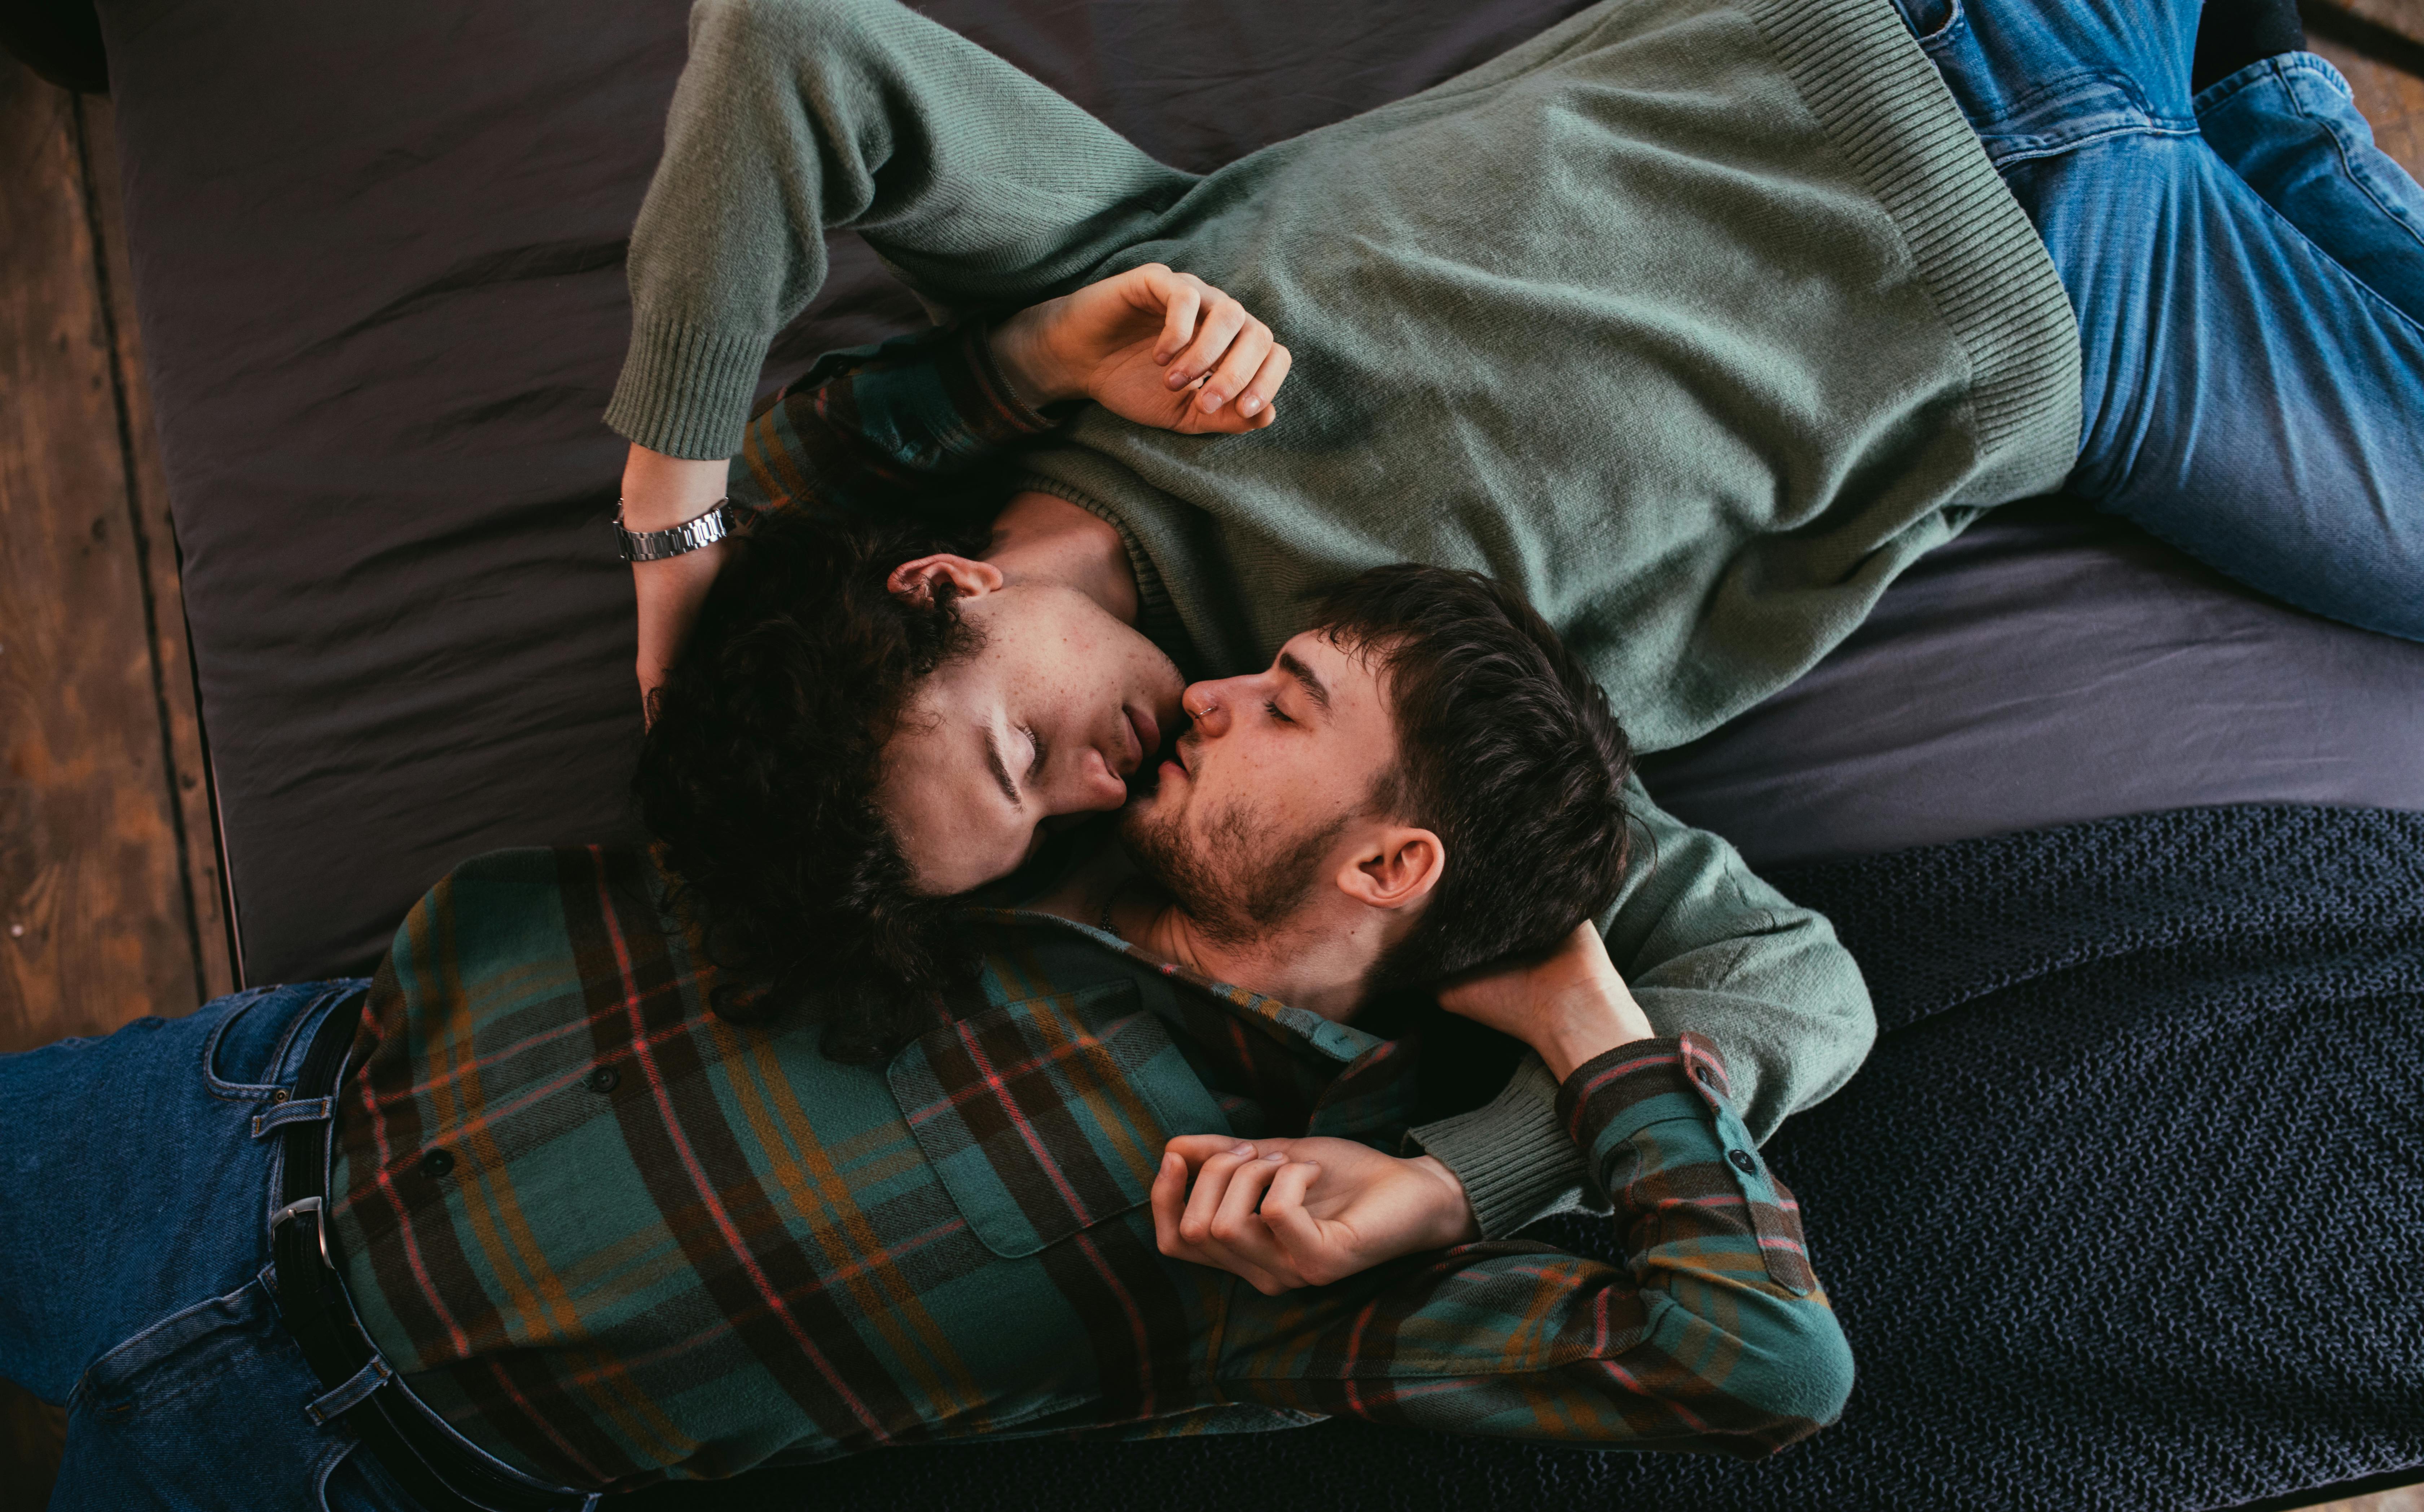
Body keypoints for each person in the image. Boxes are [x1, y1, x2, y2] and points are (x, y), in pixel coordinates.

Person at [2, 563, 1852, 1512]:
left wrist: (1584, 1013)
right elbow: (849, 480)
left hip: (326, 1481)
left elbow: (1758, 1362)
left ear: (1390, 868)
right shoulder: (1031, 785)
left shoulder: (1286, 1224)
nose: (1210, 695)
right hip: (241, 1109)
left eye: (1286, 702)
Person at [596, 0, 2424, 999]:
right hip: (2067, 282)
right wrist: (1434, 1182)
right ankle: (2263, 98)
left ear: (942, 588)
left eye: (1024, 757)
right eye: (1046, 834)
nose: (1103, 788)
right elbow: (1767, 988)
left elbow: (786, 47)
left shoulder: (1080, 310)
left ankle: (2252, 101)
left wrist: (673, 528)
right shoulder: (1347, 722)